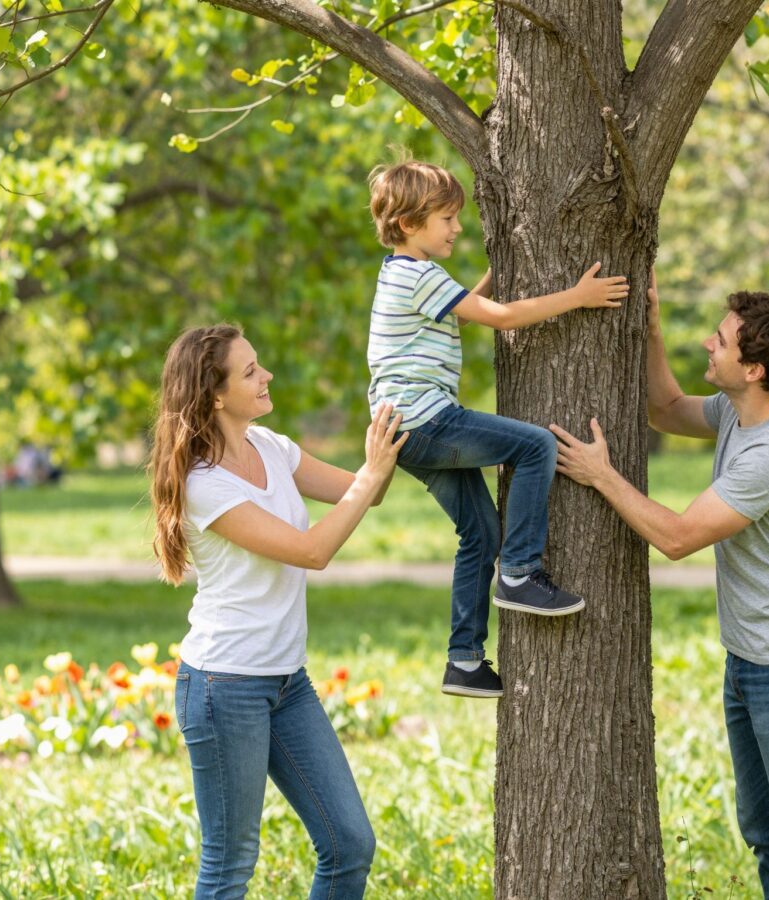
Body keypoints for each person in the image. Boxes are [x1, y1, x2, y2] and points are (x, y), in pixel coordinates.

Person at [549, 273, 769, 898]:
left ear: (753, 368)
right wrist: (652, 326)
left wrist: (601, 475)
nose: (708, 345)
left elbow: (678, 537)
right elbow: (664, 408)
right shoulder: (739, 413)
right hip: (752, 659)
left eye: (719, 341)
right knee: (766, 833)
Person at [150, 324, 407, 900]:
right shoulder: (204, 485)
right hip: (224, 685)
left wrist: (396, 425)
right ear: (214, 395)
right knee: (229, 865)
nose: (265, 376)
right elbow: (313, 551)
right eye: (250, 371)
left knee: (349, 845)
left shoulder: (272, 446)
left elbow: (369, 489)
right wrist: (369, 475)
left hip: (286, 681)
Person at [366, 159, 629, 699]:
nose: (456, 228)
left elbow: (466, 311)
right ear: (411, 222)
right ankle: (520, 573)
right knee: (534, 445)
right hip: (426, 420)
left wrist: (493, 280)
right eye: (446, 218)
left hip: (402, 431)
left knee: (478, 533)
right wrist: (576, 297)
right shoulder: (420, 275)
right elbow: (502, 318)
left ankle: (464, 660)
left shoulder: (400, 273)